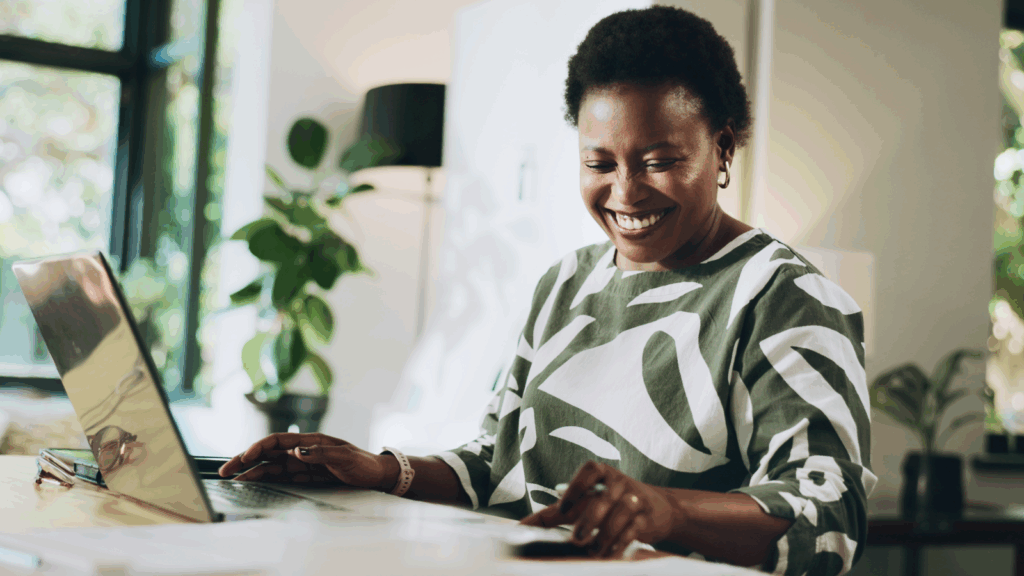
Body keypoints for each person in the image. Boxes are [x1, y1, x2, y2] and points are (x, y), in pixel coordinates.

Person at [218, 6, 874, 575]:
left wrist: (665, 511)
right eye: (599, 163)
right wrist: (386, 470)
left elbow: (828, 518)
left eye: (659, 161)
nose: (625, 193)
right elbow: (497, 465)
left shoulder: (783, 297)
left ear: (723, 150)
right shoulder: (567, 284)